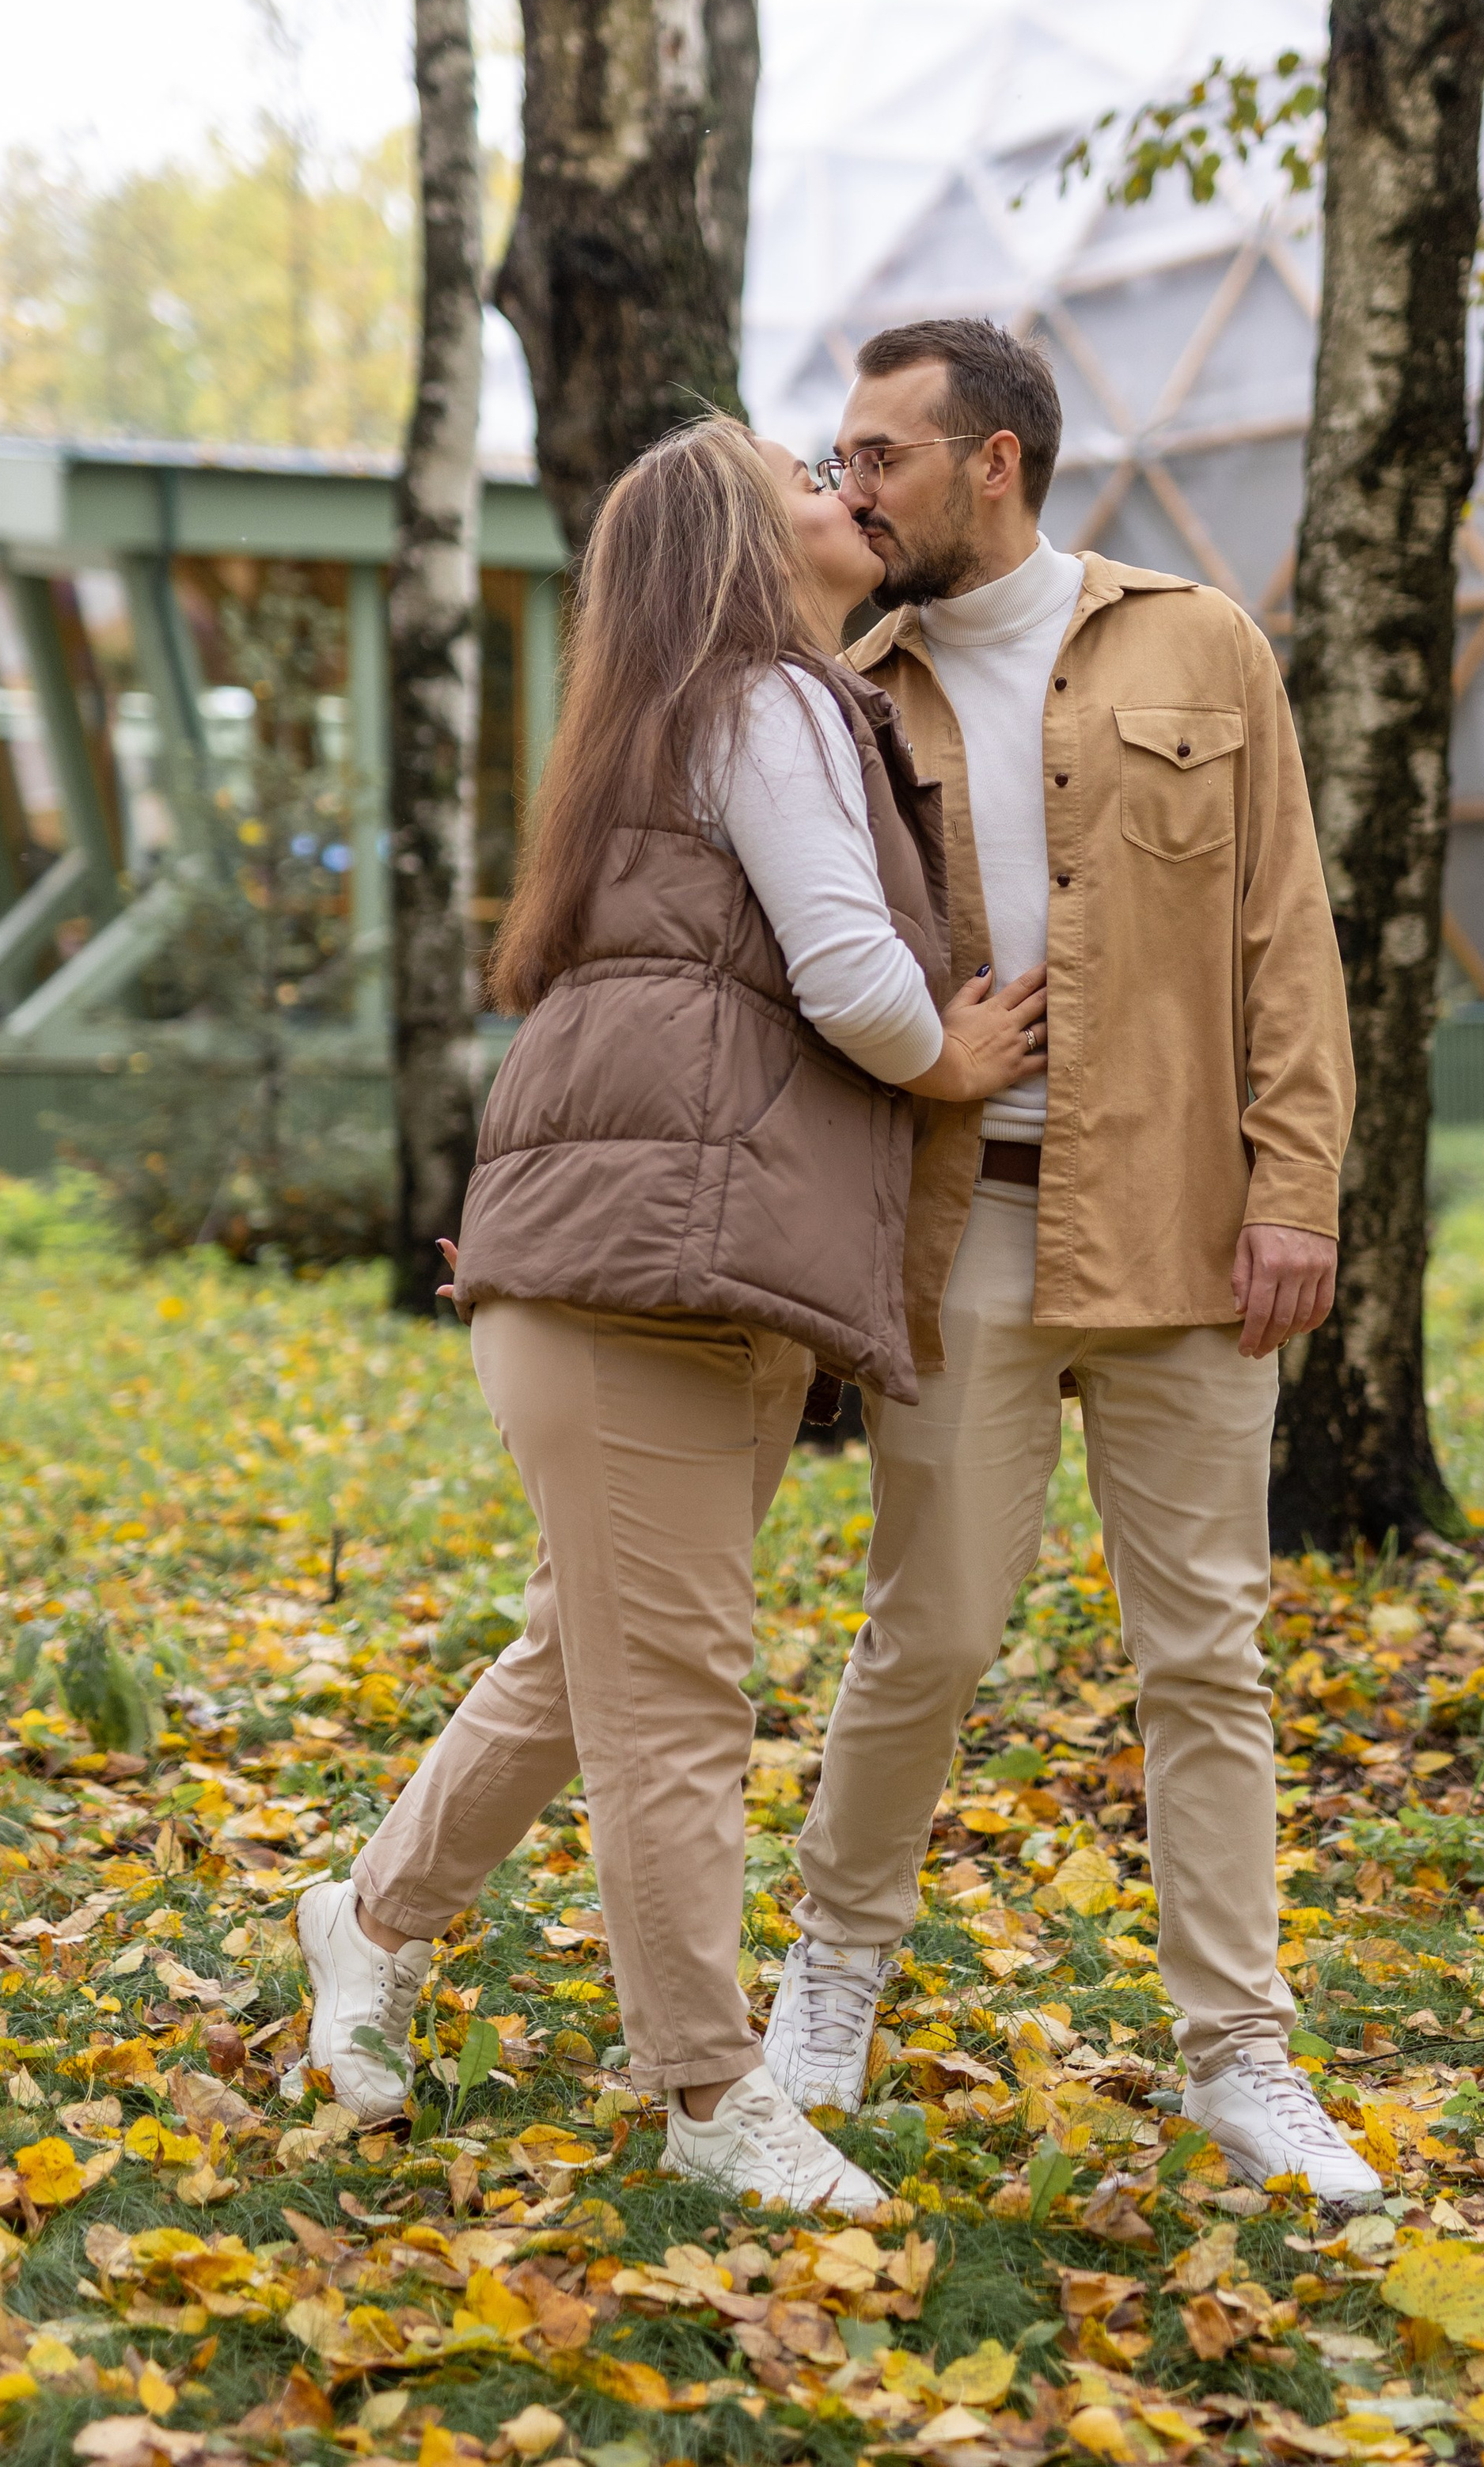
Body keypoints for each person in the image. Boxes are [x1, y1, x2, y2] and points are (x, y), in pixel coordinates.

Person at [294, 412, 1047, 2215]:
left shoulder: (676, 718)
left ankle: (371, 1915)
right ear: (736, 544)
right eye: (809, 474)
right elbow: (857, 973)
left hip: (636, 1270)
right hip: (651, 1279)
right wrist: (951, 1053)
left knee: (592, 1659)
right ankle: (709, 2088)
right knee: (678, 1698)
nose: (843, 489)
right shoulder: (768, 699)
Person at [760, 319, 1380, 2202]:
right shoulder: (844, 683)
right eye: (841, 457)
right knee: (928, 1632)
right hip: (964, 1226)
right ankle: (831, 1975)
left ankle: (1239, 2054)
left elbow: (1284, 932)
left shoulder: (1198, 642)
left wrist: (1297, 1187)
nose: (847, 483)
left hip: (1191, 1229)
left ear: (992, 460)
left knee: (1206, 1652)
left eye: (878, 453)